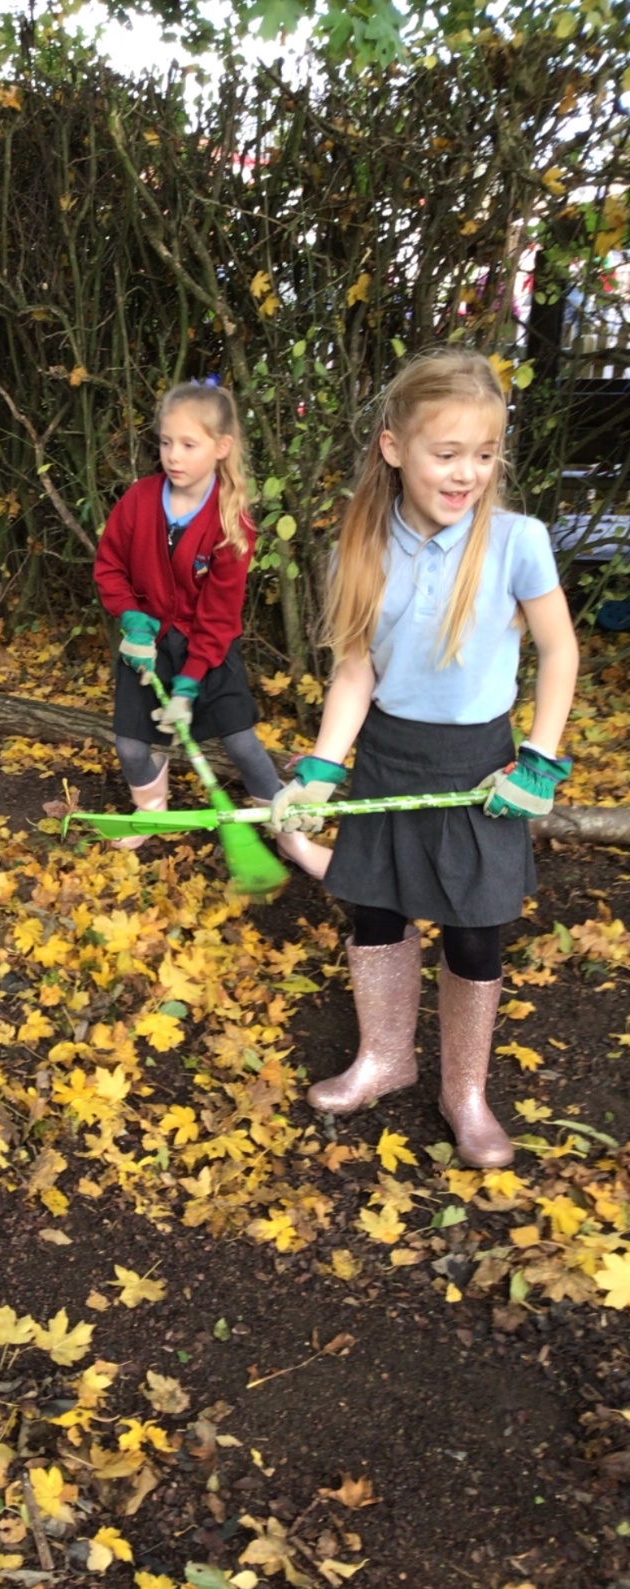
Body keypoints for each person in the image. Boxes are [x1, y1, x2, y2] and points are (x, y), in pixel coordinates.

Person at [271, 349, 578, 1167]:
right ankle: (386, 1059)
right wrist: (323, 769)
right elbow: (355, 671)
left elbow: (559, 651)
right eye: (447, 453)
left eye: (485, 454)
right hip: (388, 757)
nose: (467, 473)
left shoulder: (517, 541)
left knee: (475, 934)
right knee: (376, 913)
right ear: (394, 447)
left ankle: (465, 1093)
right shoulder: (361, 547)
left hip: (480, 767)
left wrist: (540, 760)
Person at [94, 380, 330, 878]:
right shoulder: (138, 500)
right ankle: (151, 807)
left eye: (188, 444)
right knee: (131, 746)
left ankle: (288, 832)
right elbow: (109, 566)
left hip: (208, 649)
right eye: (165, 442)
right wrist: (131, 619)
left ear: (221, 447)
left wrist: (189, 683)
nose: (173, 456)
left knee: (241, 743)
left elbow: (219, 617)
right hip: (146, 643)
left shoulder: (231, 522)